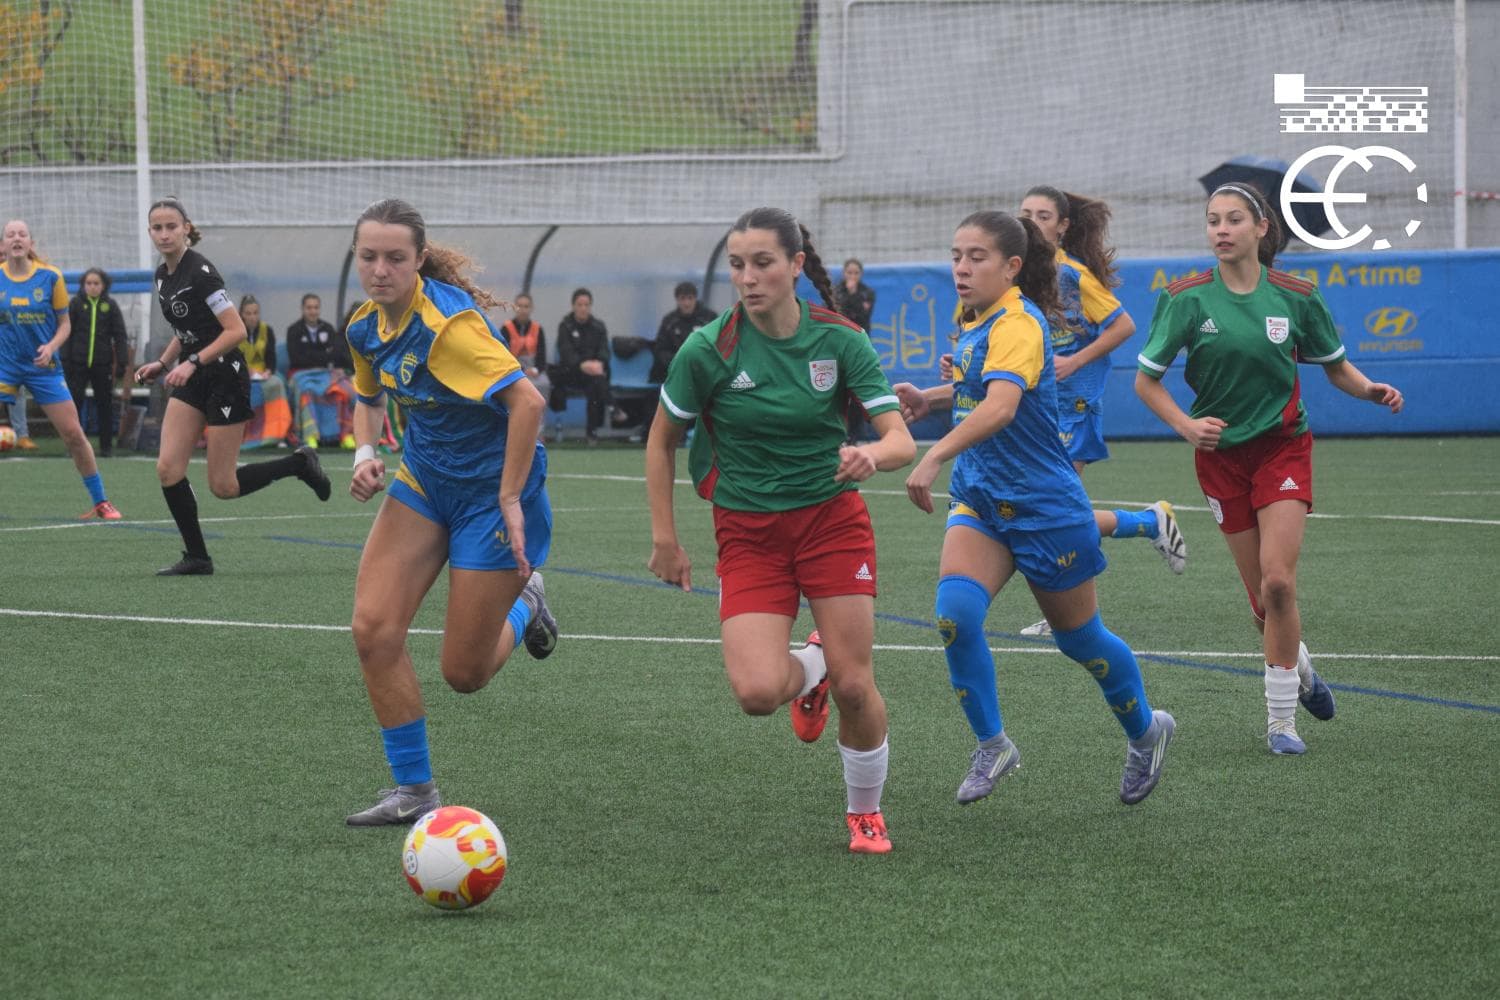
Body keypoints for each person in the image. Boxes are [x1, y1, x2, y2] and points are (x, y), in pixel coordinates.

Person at [645, 207, 916, 854]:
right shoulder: (707, 350)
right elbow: (660, 445)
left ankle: (865, 813)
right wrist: (666, 539)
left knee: (858, 685)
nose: (748, 277)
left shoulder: (839, 340)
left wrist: (870, 457)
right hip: (748, 533)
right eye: (738, 265)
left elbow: (899, 438)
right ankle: (812, 664)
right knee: (759, 693)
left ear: (796, 265)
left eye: (763, 262)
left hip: (831, 522)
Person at [894, 210, 1174, 808]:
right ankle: (993, 744)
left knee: (1082, 643)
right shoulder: (972, 317)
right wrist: (931, 395)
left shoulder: (1020, 323)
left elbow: (1000, 406)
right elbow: (978, 389)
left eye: (977, 257)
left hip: (1045, 506)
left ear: (1012, 266)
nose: (962, 268)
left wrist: (932, 454)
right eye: (956, 255)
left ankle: (1147, 732)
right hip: (982, 498)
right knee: (955, 617)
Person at [1135, 183, 1400, 755]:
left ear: (1262, 228)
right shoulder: (1185, 298)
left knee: (1279, 580)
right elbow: (1145, 381)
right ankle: (1301, 673)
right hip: (1220, 459)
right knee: (1263, 600)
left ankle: (1281, 723)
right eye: (1212, 221)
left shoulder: (1297, 295)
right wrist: (1186, 426)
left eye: (1233, 219)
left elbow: (1337, 367)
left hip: (1282, 448)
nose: (1221, 230)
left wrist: (1370, 391)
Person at [340, 198, 558, 826]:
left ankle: (528, 602)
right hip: (426, 481)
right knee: (372, 630)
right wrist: (364, 453)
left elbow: (528, 405)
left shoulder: (448, 328)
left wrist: (511, 496)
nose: (380, 269)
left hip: (491, 497)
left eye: (395, 258)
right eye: (369, 256)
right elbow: (367, 395)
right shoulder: (364, 325)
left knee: (464, 673)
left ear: (418, 260)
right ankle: (414, 792)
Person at [1013, 186, 1187, 637]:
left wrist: (1074, 360)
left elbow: (1124, 325)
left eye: (1043, 215)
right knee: (1047, 509)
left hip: (1074, 405)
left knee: (1057, 508)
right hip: (1035, 408)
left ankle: (1073, 610)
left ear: (1063, 226)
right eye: (1025, 213)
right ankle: (1148, 522)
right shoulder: (1016, 275)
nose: (1032, 221)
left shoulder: (1071, 274)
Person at [133, 197, 330, 575]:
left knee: (223, 486)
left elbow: (236, 330)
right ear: (150, 232)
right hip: (193, 375)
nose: (164, 234)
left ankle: (299, 463)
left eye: (171, 226)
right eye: (156, 227)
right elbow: (186, 331)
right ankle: (197, 557)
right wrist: (163, 361)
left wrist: (191, 362)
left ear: (187, 228)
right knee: (167, 469)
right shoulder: (163, 275)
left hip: (224, 376)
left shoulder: (202, 273)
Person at [0, 220, 121, 518]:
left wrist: (51, 347)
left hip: (44, 367)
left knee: (73, 435)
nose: (17, 238)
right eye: (10, 234)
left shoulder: (50, 277)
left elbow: (64, 324)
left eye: (22, 234)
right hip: (5, 367)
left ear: (30, 242)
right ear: (3, 244)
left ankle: (101, 501)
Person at [62, 267, 132, 458]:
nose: (92, 287)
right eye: (88, 283)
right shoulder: (75, 304)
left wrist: (122, 362)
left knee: (105, 405)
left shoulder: (110, 305)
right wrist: (65, 360)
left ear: (104, 285)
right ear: (83, 285)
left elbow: (120, 335)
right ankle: (74, 447)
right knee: (74, 405)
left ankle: (106, 447)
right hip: (78, 363)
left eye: (96, 283)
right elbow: (66, 333)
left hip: (102, 364)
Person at [285, 292, 355, 449]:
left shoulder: (328, 329)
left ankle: (345, 435)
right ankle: (311, 435)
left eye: (316, 307)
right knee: (308, 391)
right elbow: (296, 358)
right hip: (301, 375)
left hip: (325, 373)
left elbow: (335, 355)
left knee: (342, 391)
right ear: (303, 309)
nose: (313, 311)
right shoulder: (294, 330)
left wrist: (311, 355)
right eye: (309, 308)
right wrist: (323, 355)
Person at [547, 287, 610, 444]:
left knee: (595, 383)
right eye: (579, 304)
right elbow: (565, 353)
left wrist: (598, 363)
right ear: (573, 306)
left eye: (586, 305)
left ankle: (591, 433)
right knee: (597, 380)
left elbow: (605, 351)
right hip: (571, 373)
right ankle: (613, 406)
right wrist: (582, 365)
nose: (583, 308)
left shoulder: (599, 326)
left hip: (592, 375)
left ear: (590, 306)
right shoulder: (565, 326)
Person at [236, 294, 293, 449]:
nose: (252, 317)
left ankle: (276, 435)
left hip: (262, 374)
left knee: (277, 383)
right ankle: (242, 436)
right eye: (248, 313)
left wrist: (268, 372)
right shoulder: (234, 330)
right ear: (241, 314)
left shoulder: (266, 330)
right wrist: (246, 371)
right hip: (239, 375)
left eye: (255, 313)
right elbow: (230, 356)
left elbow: (271, 357)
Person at [649, 281, 716, 384]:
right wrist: (679, 362)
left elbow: (719, 345)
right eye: (682, 298)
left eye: (690, 298)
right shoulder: (669, 321)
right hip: (676, 371)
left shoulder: (709, 318)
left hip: (703, 371)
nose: (686, 303)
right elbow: (660, 349)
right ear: (677, 300)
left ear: (695, 298)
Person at [500, 292, 551, 403]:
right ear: (514, 308)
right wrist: (522, 370)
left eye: (526, 306)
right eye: (519, 306)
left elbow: (542, 355)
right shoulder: (506, 328)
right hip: (513, 370)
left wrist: (536, 369)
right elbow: (504, 356)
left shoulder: (538, 328)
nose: (523, 310)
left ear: (531, 308)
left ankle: (540, 419)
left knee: (544, 383)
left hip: (534, 370)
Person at [832, 258, 876, 332]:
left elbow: (864, 316)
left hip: (860, 333)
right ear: (844, 273)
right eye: (849, 273)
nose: (853, 276)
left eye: (856, 273)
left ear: (861, 274)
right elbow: (835, 312)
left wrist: (853, 294)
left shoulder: (867, 293)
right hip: (841, 332)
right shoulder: (835, 291)